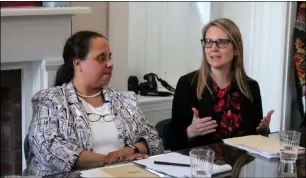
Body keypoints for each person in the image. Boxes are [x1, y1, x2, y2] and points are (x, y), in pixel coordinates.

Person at [24, 31, 164, 176]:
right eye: (101, 58)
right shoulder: (50, 99)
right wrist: (109, 161)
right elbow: (49, 147)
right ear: (78, 64)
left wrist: (127, 151)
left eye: (109, 57)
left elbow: (154, 140)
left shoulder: (126, 99)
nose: (110, 64)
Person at [169, 18, 274, 151]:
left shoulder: (251, 87)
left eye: (222, 42)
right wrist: (189, 132)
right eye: (208, 42)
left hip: (240, 167)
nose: (213, 48)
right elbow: (172, 141)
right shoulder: (187, 84)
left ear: (236, 48)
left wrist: (263, 131)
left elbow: (254, 141)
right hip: (201, 166)